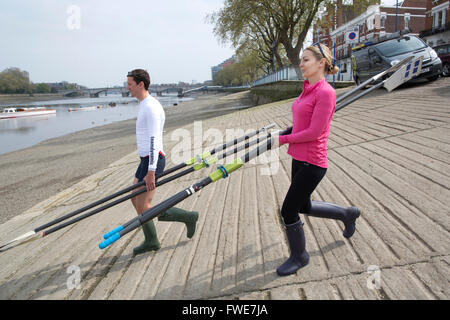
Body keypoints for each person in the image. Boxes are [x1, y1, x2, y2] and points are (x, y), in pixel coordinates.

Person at [274, 44, 361, 276]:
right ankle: (346, 213)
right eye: (301, 60)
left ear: (321, 62)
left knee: (288, 211)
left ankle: (300, 257)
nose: (301, 64)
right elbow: (302, 123)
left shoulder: (326, 92)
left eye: (306, 60)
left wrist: (282, 140)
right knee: (304, 206)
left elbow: (314, 132)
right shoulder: (307, 88)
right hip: (298, 158)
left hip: (313, 162)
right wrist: (284, 133)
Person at [126, 69, 198, 256]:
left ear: (141, 84)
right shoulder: (144, 104)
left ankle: (188, 217)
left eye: (130, 84)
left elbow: (154, 140)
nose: (128, 88)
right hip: (145, 160)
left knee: (145, 205)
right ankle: (151, 239)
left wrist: (150, 171)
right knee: (135, 199)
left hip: (153, 160)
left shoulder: (150, 107)